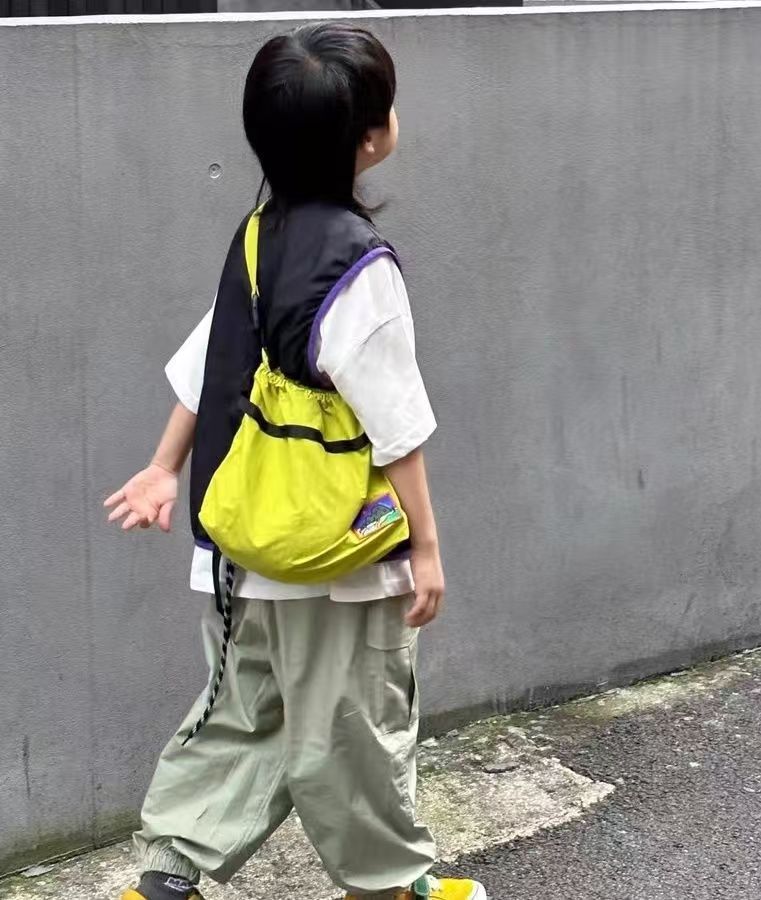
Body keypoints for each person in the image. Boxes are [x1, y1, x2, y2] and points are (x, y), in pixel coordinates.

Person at [104, 23, 486, 900]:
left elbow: (211, 367)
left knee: (238, 718)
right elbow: (397, 429)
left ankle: (165, 879)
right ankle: (390, 886)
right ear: (369, 139)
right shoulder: (360, 266)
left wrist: (165, 468)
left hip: (240, 548)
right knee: (353, 728)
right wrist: (426, 551)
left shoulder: (254, 236)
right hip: (334, 560)